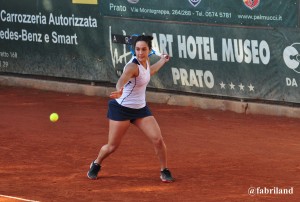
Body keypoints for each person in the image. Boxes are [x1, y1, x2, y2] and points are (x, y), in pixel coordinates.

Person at [87, 35, 174, 183]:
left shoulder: (145, 62)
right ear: (134, 50)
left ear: (149, 50)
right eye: (137, 49)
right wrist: (120, 89)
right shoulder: (132, 66)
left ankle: (164, 170)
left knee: (158, 140)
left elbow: (148, 73)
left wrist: (162, 61)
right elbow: (123, 79)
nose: (140, 53)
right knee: (112, 146)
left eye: (143, 49)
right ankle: (96, 163)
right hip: (122, 109)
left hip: (140, 109)